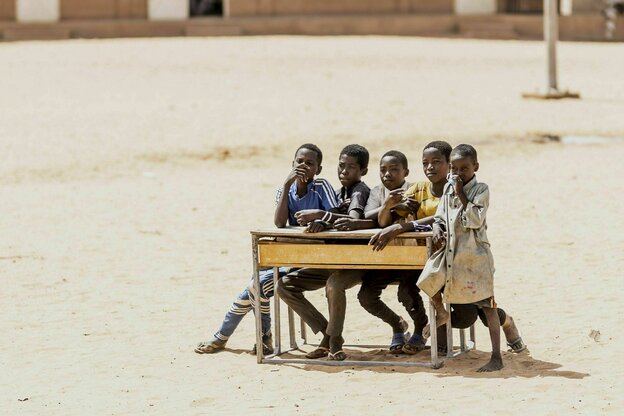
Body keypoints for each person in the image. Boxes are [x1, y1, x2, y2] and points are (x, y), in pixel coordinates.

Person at [370, 144, 526, 356]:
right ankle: (423, 333)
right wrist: (392, 208)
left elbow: (453, 217)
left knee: (475, 312)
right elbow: (430, 219)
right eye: (425, 163)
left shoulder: (469, 190)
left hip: (464, 258)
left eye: (437, 162)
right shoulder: (420, 190)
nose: (430, 168)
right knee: (412, 291)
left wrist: (406, 225)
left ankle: (507, 323)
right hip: (428, 260)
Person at [195, 143, 338, 355]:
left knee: (254, 287)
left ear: (318, 169)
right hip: (287, 256)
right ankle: (254, 338)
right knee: (254, 287)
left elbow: (333, 214)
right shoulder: (284, 189)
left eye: (310, 163)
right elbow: (280, 223)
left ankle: (231, 337)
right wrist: (288, 183)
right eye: (299, 162)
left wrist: (321, 221)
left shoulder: (321, 186)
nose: (304, 166)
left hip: (313, 259)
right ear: (292, 164)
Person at [277, 144, 371, 361]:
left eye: (350, 167)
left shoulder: (359, 191)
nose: (343, 171)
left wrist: (322, 216)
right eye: (340, 166)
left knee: (334, 284)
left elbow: (353, 220)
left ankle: (334, 342)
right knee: (284, 285)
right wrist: (322, 222)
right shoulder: (338, 193)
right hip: (332, 260)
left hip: (355, 262)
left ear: (362, 171)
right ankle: (327, 333)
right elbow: (333, 216)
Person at [418, 144, 504, 372]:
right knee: (428, 279)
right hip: (451, 256)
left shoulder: (481, 189)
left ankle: (497, 357)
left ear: (475, 166)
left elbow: (474, 220)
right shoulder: (448, 188)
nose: (458, 174)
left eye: (464, 169)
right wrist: (437, 227)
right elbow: (440, 216)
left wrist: (461, 193)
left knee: (488, 306)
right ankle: (442, 315)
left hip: (475, 258)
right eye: (454, 169)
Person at [359, 143, 450, 354]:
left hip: (426, 257)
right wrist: (388, 206)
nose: (388, 174)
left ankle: (420, 329)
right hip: (391, 257)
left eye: (393, 169)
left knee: (407, 291)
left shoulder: (447, 189)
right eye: (383, 170)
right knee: (366, 295)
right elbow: (383, 222)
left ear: (405, 172)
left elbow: (442, 217)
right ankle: (398, 325)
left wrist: (400, 225)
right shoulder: (403, 190)